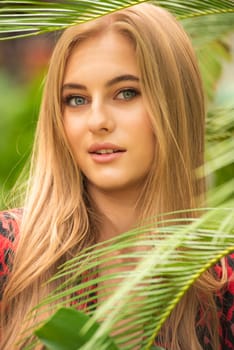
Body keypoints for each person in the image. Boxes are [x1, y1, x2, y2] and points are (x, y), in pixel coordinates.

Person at [0, 3, 233, 349]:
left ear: (175, 102)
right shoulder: (13, 256)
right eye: (76, 99)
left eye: (126, 93)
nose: (97, 121)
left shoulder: (220, 276)